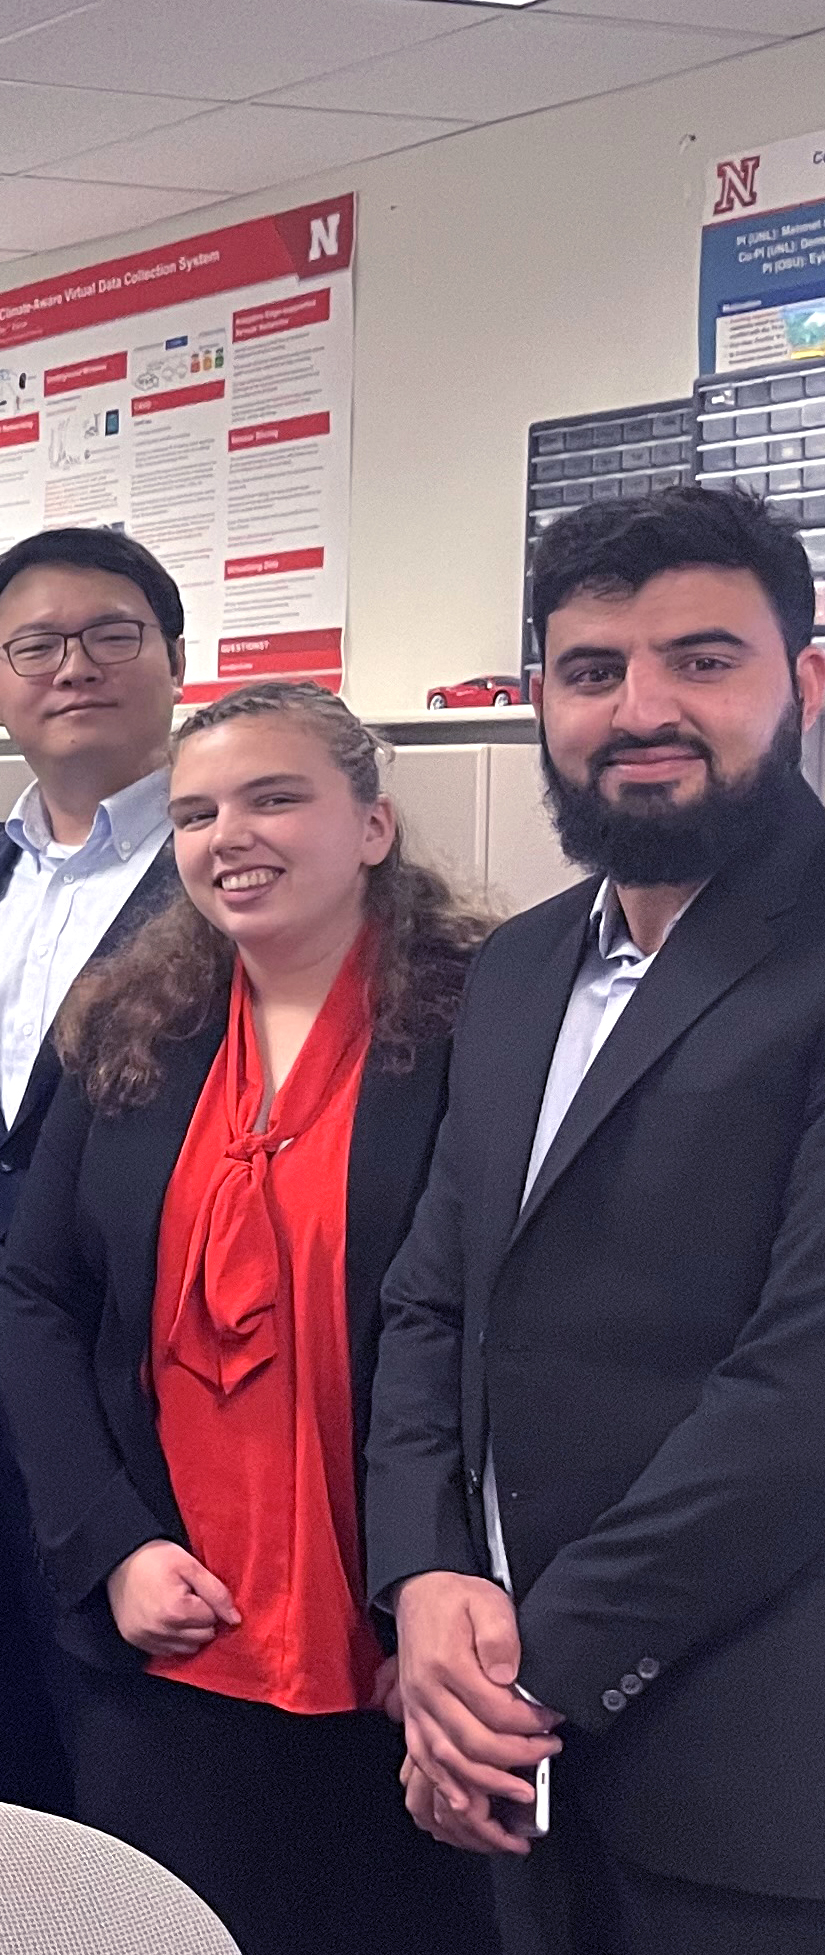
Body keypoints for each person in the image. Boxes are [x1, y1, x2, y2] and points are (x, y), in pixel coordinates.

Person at [367, 484, 825, 1951]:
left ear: (804, 681)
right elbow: (433, 1303)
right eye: (589, 670)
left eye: (702, 660)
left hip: (756, 1759)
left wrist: (528, 1671)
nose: (640, 708)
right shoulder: (512, 972)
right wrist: (424, 1576)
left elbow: (798, 1392)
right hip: (517, 1740)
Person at [0, 684, 494, 1954]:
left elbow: (517, 1333)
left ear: (372, 825)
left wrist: (433, 1586)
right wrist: (112, 1545)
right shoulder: (127, 1028)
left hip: (399, 1632)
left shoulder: (486, 1028)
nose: (230, 835)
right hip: (167, 1614)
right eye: (198, 810)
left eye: (276, 796)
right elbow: (37, 1295)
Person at [0, 525, 192, 1814]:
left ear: (173, 657)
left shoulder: (226, 868)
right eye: (35, 644)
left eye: (110, 633)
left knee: (140, 1745)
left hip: (145, 1387)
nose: (73, 665)